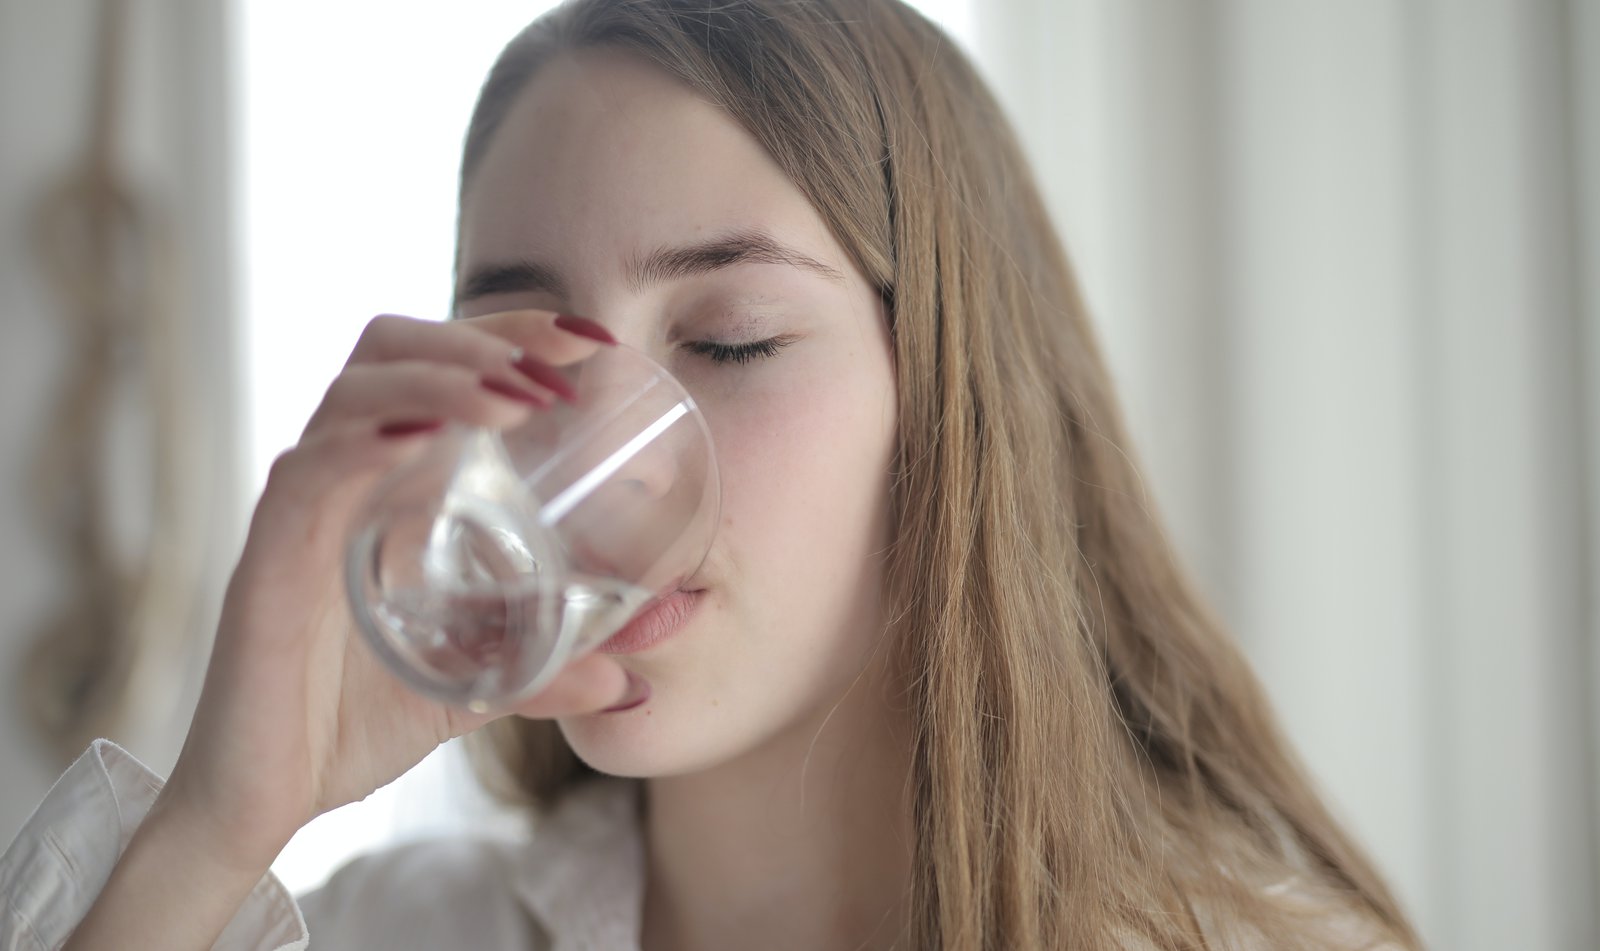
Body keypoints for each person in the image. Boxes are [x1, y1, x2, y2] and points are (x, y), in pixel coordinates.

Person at [1, 1, 1423, 948]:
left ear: (947, 401)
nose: (598, 470)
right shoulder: (396, 933)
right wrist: (210, 829)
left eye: (731, 342)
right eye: (528, 358)